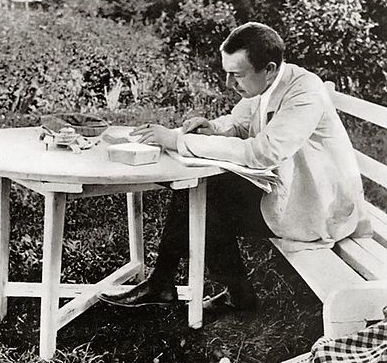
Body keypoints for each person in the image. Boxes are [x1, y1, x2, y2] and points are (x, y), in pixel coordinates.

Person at [100, 22, 371, 310]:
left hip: (320, 208)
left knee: (205, 201)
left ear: (269, 69)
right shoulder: (270, 83)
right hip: (295, 190)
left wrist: (178, 141)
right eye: (227, 73)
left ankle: (221, 293)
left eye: (237, 75)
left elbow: (264, 152)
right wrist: (213, 128)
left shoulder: (305, 92)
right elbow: (240, 122)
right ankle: (170, 284)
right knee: (199, 193)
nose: (229, 84)